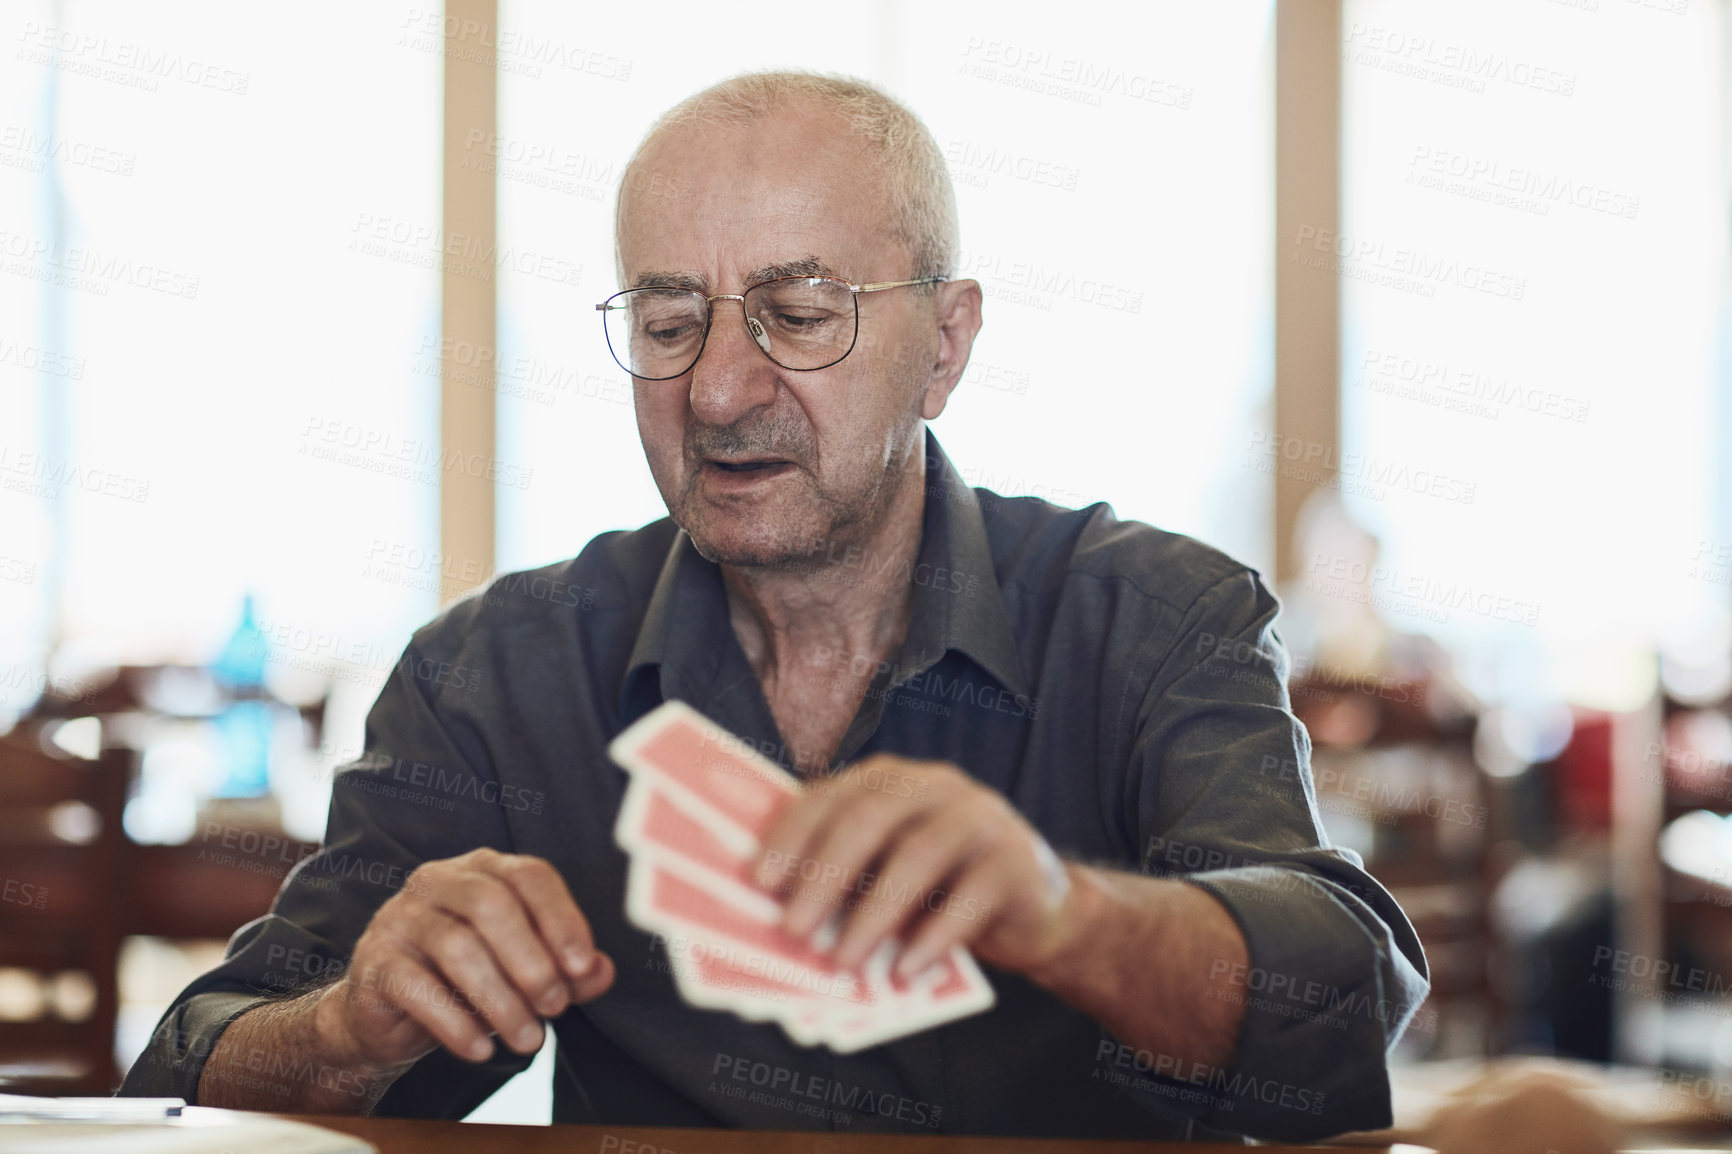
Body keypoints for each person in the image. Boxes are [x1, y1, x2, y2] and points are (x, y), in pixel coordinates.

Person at [120, 71, 1427, 1143]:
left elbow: (1342, 997)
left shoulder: (1153, 616)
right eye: (670, 319)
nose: (720, 388)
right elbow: (184, 1079)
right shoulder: (495, 674)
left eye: (800, 316)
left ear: (946, 345)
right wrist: (350, 1025)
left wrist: (1061, 913)